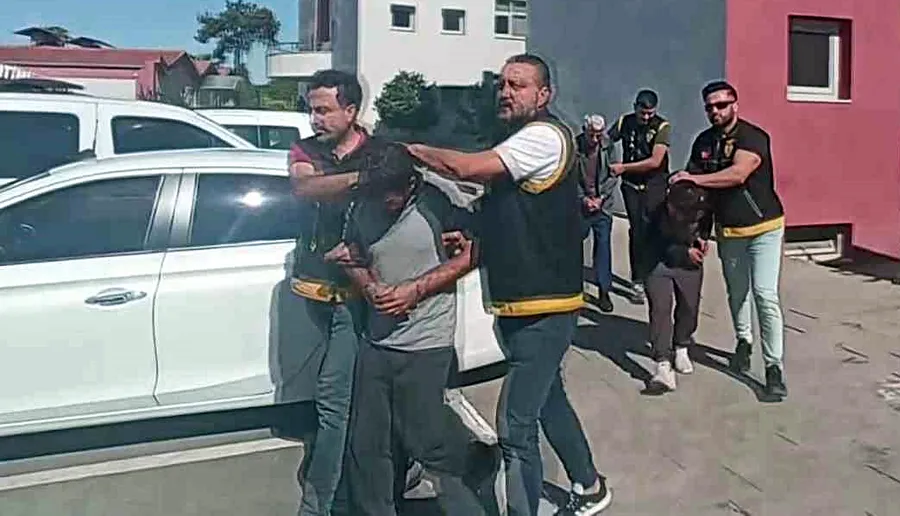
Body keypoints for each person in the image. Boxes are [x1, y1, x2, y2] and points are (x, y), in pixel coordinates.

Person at [405, 53, 612, 516]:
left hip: (545, 307)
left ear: (544, 94)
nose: (505, 92)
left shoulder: (544, 136)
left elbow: (466, 169)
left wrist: (413, 151)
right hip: (520, 303)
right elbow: (510, 210)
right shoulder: (517, 139)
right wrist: (477, 234)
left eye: (518, 85)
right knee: (549, 400)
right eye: (502, 84)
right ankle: (589, 485)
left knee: (515, 426)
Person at [323, 144, 487, 516]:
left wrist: (415, 290)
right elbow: (352, 252)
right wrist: (368, 286)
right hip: (377, 340)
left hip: (425, 341)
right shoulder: (365, 201)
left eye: (391, 195)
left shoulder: (440, 202)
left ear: (411, 184)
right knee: (368, 444)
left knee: (424, 439)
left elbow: (479, 252)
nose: (383, 202)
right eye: (377, 193)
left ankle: (476, 462)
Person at [285, 69, 407, 516]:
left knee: (335, 397)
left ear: (351, 110)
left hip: (360, 294)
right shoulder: (307, 150)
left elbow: (402, 202)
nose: (315, 118)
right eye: (311, 110)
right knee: (350, 397)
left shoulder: (381, 152)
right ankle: (360, 486)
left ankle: (321, 503)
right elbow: (305, 187)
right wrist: (363, 178)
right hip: (317, 289)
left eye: (324, 110)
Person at [670, 80, 788, 401]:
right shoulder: (704, 142)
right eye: (709, 107)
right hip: (729, 231)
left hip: (764, 227)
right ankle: (744, 342)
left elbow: (738, 174)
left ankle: (774, 368)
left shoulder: (753, 137)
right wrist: (698, 234)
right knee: (737, 293)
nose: (715, 111)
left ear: (735, 104)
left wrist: (693, 177)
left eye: (721, 105)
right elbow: (698, 196)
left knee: (764, 294)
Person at [643, 181, 712, 393]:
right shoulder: (652, 210)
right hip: (656, 262)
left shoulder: (701, 207)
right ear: (671, 206)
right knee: (660, 308)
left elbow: (705, 222)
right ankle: (662, 363)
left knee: (690, 306)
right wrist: (684, 252)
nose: (691, 217)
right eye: (685, 213)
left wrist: (702, 239)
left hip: (689, 264)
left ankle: (681, 345)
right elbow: (649, 242)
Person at [607, 89, 672, 304]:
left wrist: (623, 167)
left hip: (655, 185)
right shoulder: (624, 122)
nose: (646, 117)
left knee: (655, 229)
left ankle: (656, 276)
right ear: (635, 107)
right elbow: (606, 141)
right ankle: (637, 281)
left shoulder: (661, 127)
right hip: (631, 187)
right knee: (637, 231)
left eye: (650, 113)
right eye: (642, 113)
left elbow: (655, 161)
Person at [576, 114, 619, 313]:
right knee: (574, 245)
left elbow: (613, 174)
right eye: (591, 135)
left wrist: (601, 198)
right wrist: (583, 198)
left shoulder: (608, 147)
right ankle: (574, 286)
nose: (595, 139)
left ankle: (604, 290)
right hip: (581, 204)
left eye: (599, 135)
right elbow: (569, 176)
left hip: (603, 205)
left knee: (603, 247)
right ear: (585, 131)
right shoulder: (575, 147)